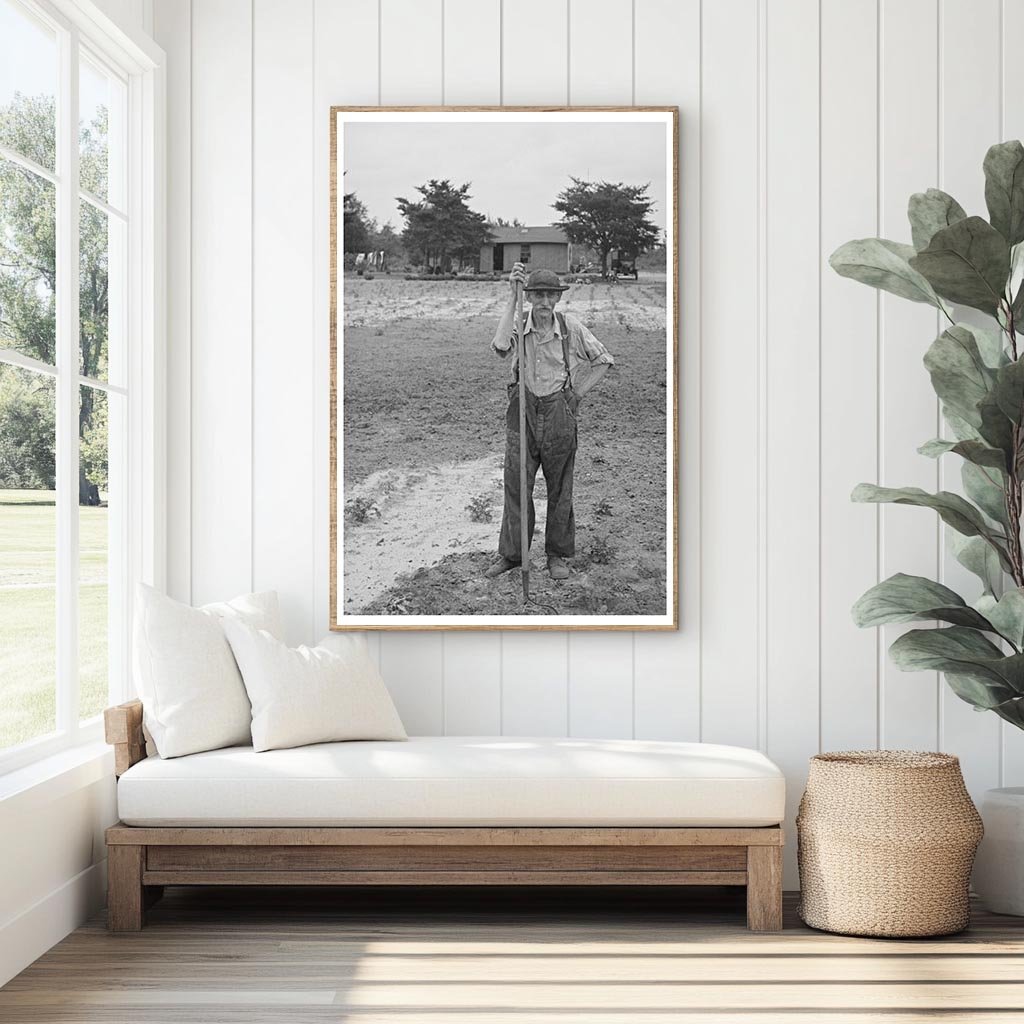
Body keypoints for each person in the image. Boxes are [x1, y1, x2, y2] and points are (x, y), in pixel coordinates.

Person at [485, 263, 615, 581]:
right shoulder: (519, 322)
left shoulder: (569, 327)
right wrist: (512, 300)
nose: (544, 302)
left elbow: (603, 360)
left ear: (557, 298)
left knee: (560, 489)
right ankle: (513, 555)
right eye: (538, 295)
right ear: (530, 298)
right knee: (516, 486)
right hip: (522, 413)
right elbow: (501, 347)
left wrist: (577, 394)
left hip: (559, 413)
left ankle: (556, 555)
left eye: (549, 296)